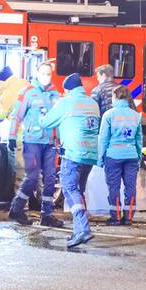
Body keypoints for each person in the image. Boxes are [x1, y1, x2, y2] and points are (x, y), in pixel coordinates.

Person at [40, 73, 101, 248]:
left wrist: (45, 112)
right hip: (90, 154)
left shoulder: (66, 102)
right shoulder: (92, 103)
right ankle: (77, 231)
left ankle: (83, 229)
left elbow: (46, 122)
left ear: (67, 89)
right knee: (78, 191)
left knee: (69, 188)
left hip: (73, 153)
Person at [7, 62, 63, 228]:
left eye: (49, 73)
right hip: (32, 141)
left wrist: (60, 140)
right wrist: (11, 135)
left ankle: (47, 214)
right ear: (37, 74)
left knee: (51, 178)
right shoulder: (28, 93)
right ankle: (16, 208)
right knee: (32, 177)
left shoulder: (55, 94)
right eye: (43, 73)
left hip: (50, 143)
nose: (46, 76)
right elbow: (17, 115)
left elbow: (59, 119)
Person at [98, 84, 143, 225]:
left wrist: (100, 158)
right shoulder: (136, 116)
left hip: (113, 157)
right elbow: (139, 139)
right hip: (131, 156)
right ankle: (128, 217)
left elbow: (103, 139)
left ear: (115, 97)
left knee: (114, 187)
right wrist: (139, 157)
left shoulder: (109, 115)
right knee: (130, 187)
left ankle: (115, 217)